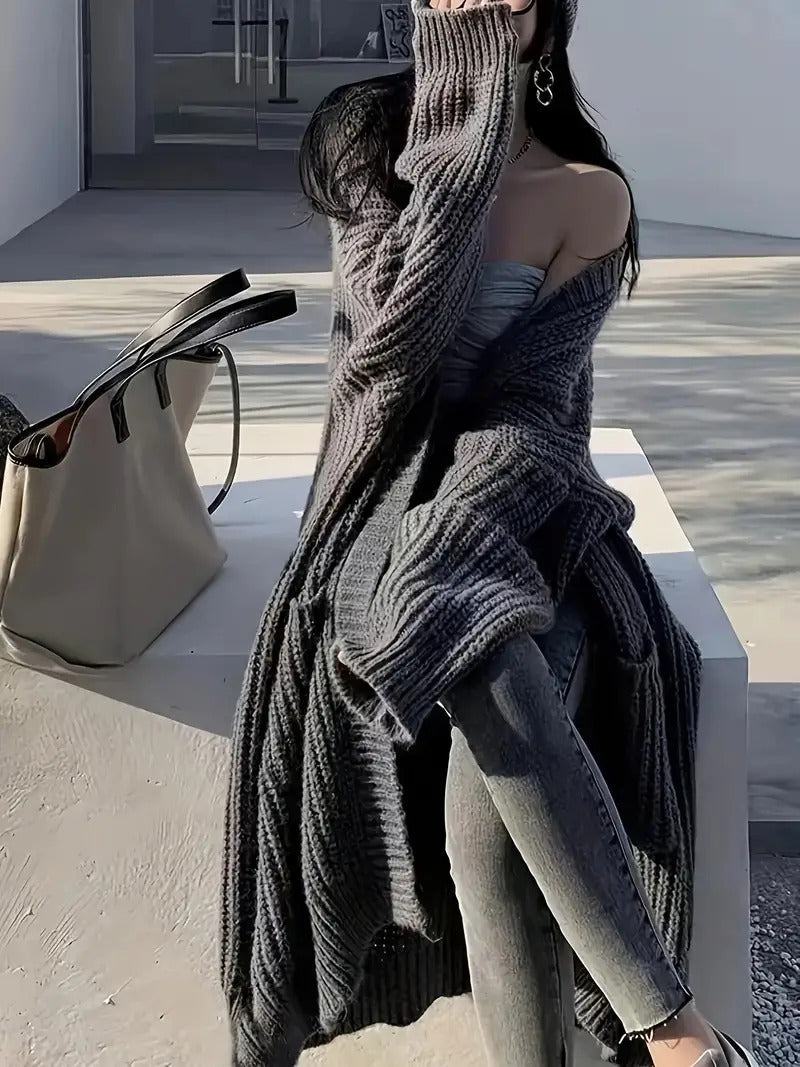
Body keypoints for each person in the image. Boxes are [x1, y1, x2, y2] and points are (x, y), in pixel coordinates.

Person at [220, 3, 760, 1066]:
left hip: (523, 510)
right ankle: (678, 1033)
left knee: (483, 801)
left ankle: (668, 1036)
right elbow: (384, 360)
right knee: (442, 614)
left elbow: (531, 408)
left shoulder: (589, 194)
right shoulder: (367, 140)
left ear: (544, 18)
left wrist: (462, 527)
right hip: (373, 503)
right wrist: (458, 141)